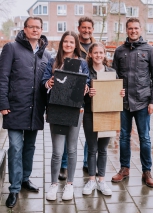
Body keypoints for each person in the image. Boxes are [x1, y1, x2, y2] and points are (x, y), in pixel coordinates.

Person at [0, 17, 51, 208]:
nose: (35, 30)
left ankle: (25, 179)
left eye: (38, 27)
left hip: (35, 109)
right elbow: (2, 77)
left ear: (42, 30)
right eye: (31, 27)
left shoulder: (47, 55)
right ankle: (14, 189)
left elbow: (48, 83)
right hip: (15, 108)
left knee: (30, 148)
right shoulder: (11, 48)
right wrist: (2, 103)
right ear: (25, 29)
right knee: (16, 148)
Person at [111, 18, 153, 188]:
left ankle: (147, 171)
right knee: (124, 137)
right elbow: (114, 77)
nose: (133, 31)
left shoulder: (149, 51)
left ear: (141, 29)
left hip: (142, 102)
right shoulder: (119, 51)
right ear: (126, 30)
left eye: (136, 28)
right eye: (130, 28)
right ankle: (124, 169)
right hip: (123, 103)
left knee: (144, 138)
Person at [43, 31, 89, 201]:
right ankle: (54, 184)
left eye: (72, 42)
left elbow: (88, 81)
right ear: (62, 43)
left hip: (75, 110)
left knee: (72, 150)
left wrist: (85, 88)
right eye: (66, 41)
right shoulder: (53, 62)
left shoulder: (82, 64)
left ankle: (69, 184)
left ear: (76, 44)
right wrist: (48, 83)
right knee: (56, 152)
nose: (68, 45)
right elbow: (44, 80)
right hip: (56, 109)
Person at [82, 42, 125, 196]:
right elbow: (80, 95)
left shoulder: (112, 72)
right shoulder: (86, 72)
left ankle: (102, 180)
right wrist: (88, 94)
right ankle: (91, 180)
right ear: (91, 54)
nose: (98, 55)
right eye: (95, 53)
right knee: (92, 149)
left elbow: (115, 92)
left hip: (108, 114)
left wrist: (120, 94)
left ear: (104, 54)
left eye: (101, 52)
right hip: (90, 114)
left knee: (103, 149)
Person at [58, 16, 96, 180]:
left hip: (92, 97)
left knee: (90, 134)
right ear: (79, 28)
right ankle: (64, 164)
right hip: (73, 99)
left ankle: (88, 162)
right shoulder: (72, 45)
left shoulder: (95, 46)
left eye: (89, 28)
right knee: (69, 133)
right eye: (84, 27)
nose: (86, 30)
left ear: (92, 29)